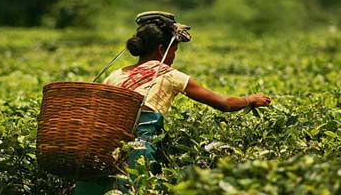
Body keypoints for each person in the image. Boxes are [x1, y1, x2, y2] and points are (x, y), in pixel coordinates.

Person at [74, 11, 271, 194]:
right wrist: (249, 99)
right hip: (138, 150)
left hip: (102, 148)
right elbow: (224, 103)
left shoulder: (117, 74)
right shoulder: (169, 75)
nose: (174, 56)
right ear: (162, 50)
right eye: (174, 51)